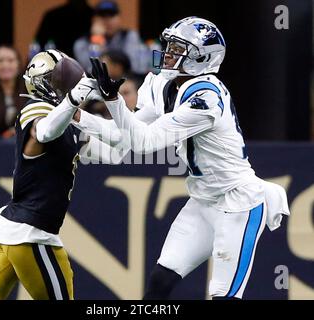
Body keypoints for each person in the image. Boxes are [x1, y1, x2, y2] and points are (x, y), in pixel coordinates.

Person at [70, 16, 290, 299]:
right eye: (171, 46)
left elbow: (143, 143)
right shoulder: (162, 82)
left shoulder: (206, 99)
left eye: (178, 48)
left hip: (238, 202)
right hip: (203, 199)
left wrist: (113, 102)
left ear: (201, 57)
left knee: (223, 295)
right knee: (160, 282)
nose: (169, 53)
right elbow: (125, 133)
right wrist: (75, 115)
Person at [0, 49, 113, 300]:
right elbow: (43, 132)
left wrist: (117, 104)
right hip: (32, 234)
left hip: (9, 233)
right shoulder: (36, 108)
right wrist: (71, 102)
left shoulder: (66, 120)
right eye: (62, 81)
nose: (69, 86)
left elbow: (117, 146)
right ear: (44, 84)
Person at [73, 0, 148, 75]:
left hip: (125, 82)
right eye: (103, 16)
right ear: (94, 19)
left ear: (119, 18)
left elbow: (134, 66)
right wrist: (97, 40)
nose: (107, 20)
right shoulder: (81, 43)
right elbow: (91, 70)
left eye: (111, 15)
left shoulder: (130, 36)